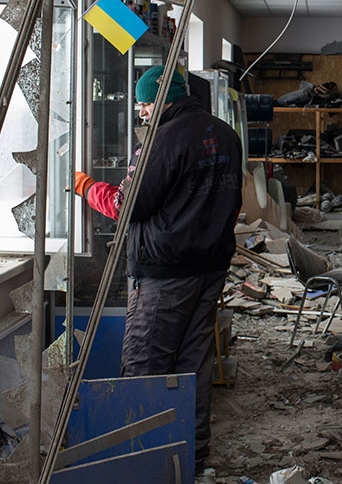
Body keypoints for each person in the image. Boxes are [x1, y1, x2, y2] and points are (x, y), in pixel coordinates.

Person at [73, 65, 243, 471]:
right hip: (210, 267)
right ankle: (191, 453)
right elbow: (231, 201)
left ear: (163, 100)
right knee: (193, 364)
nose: (142, 112)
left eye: (146, 104)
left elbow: (126, 205)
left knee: (145, 365)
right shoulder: (226, 135)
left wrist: (85, 186)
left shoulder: (161, 140)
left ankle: (143, 462)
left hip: (165, 272)